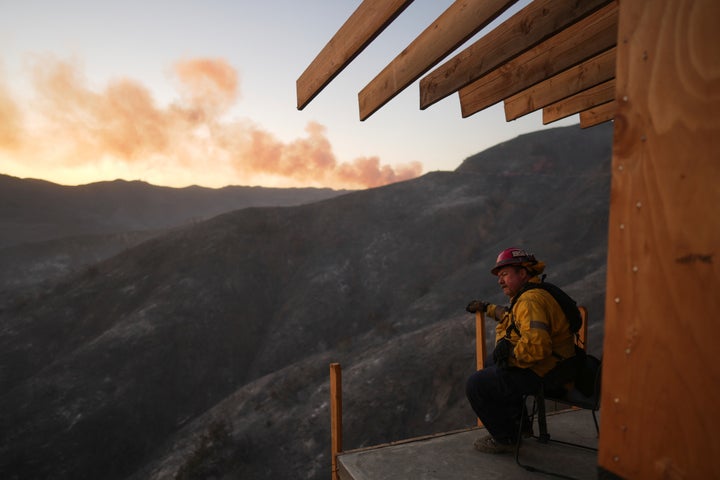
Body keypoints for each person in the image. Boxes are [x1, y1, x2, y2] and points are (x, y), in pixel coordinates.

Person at [464, 247, 577, 454]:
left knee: (476, 384)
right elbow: (509, 316)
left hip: (550, 371)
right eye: (499, 276)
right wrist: (486, 307)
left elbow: (537, 347)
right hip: (560, 364)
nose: (500, 281)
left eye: (505, 274)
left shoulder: (530, 300)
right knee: (492, 363)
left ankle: (505, 438)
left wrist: (510, 356)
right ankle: (521, 427)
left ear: (523, 273)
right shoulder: (530, 294)